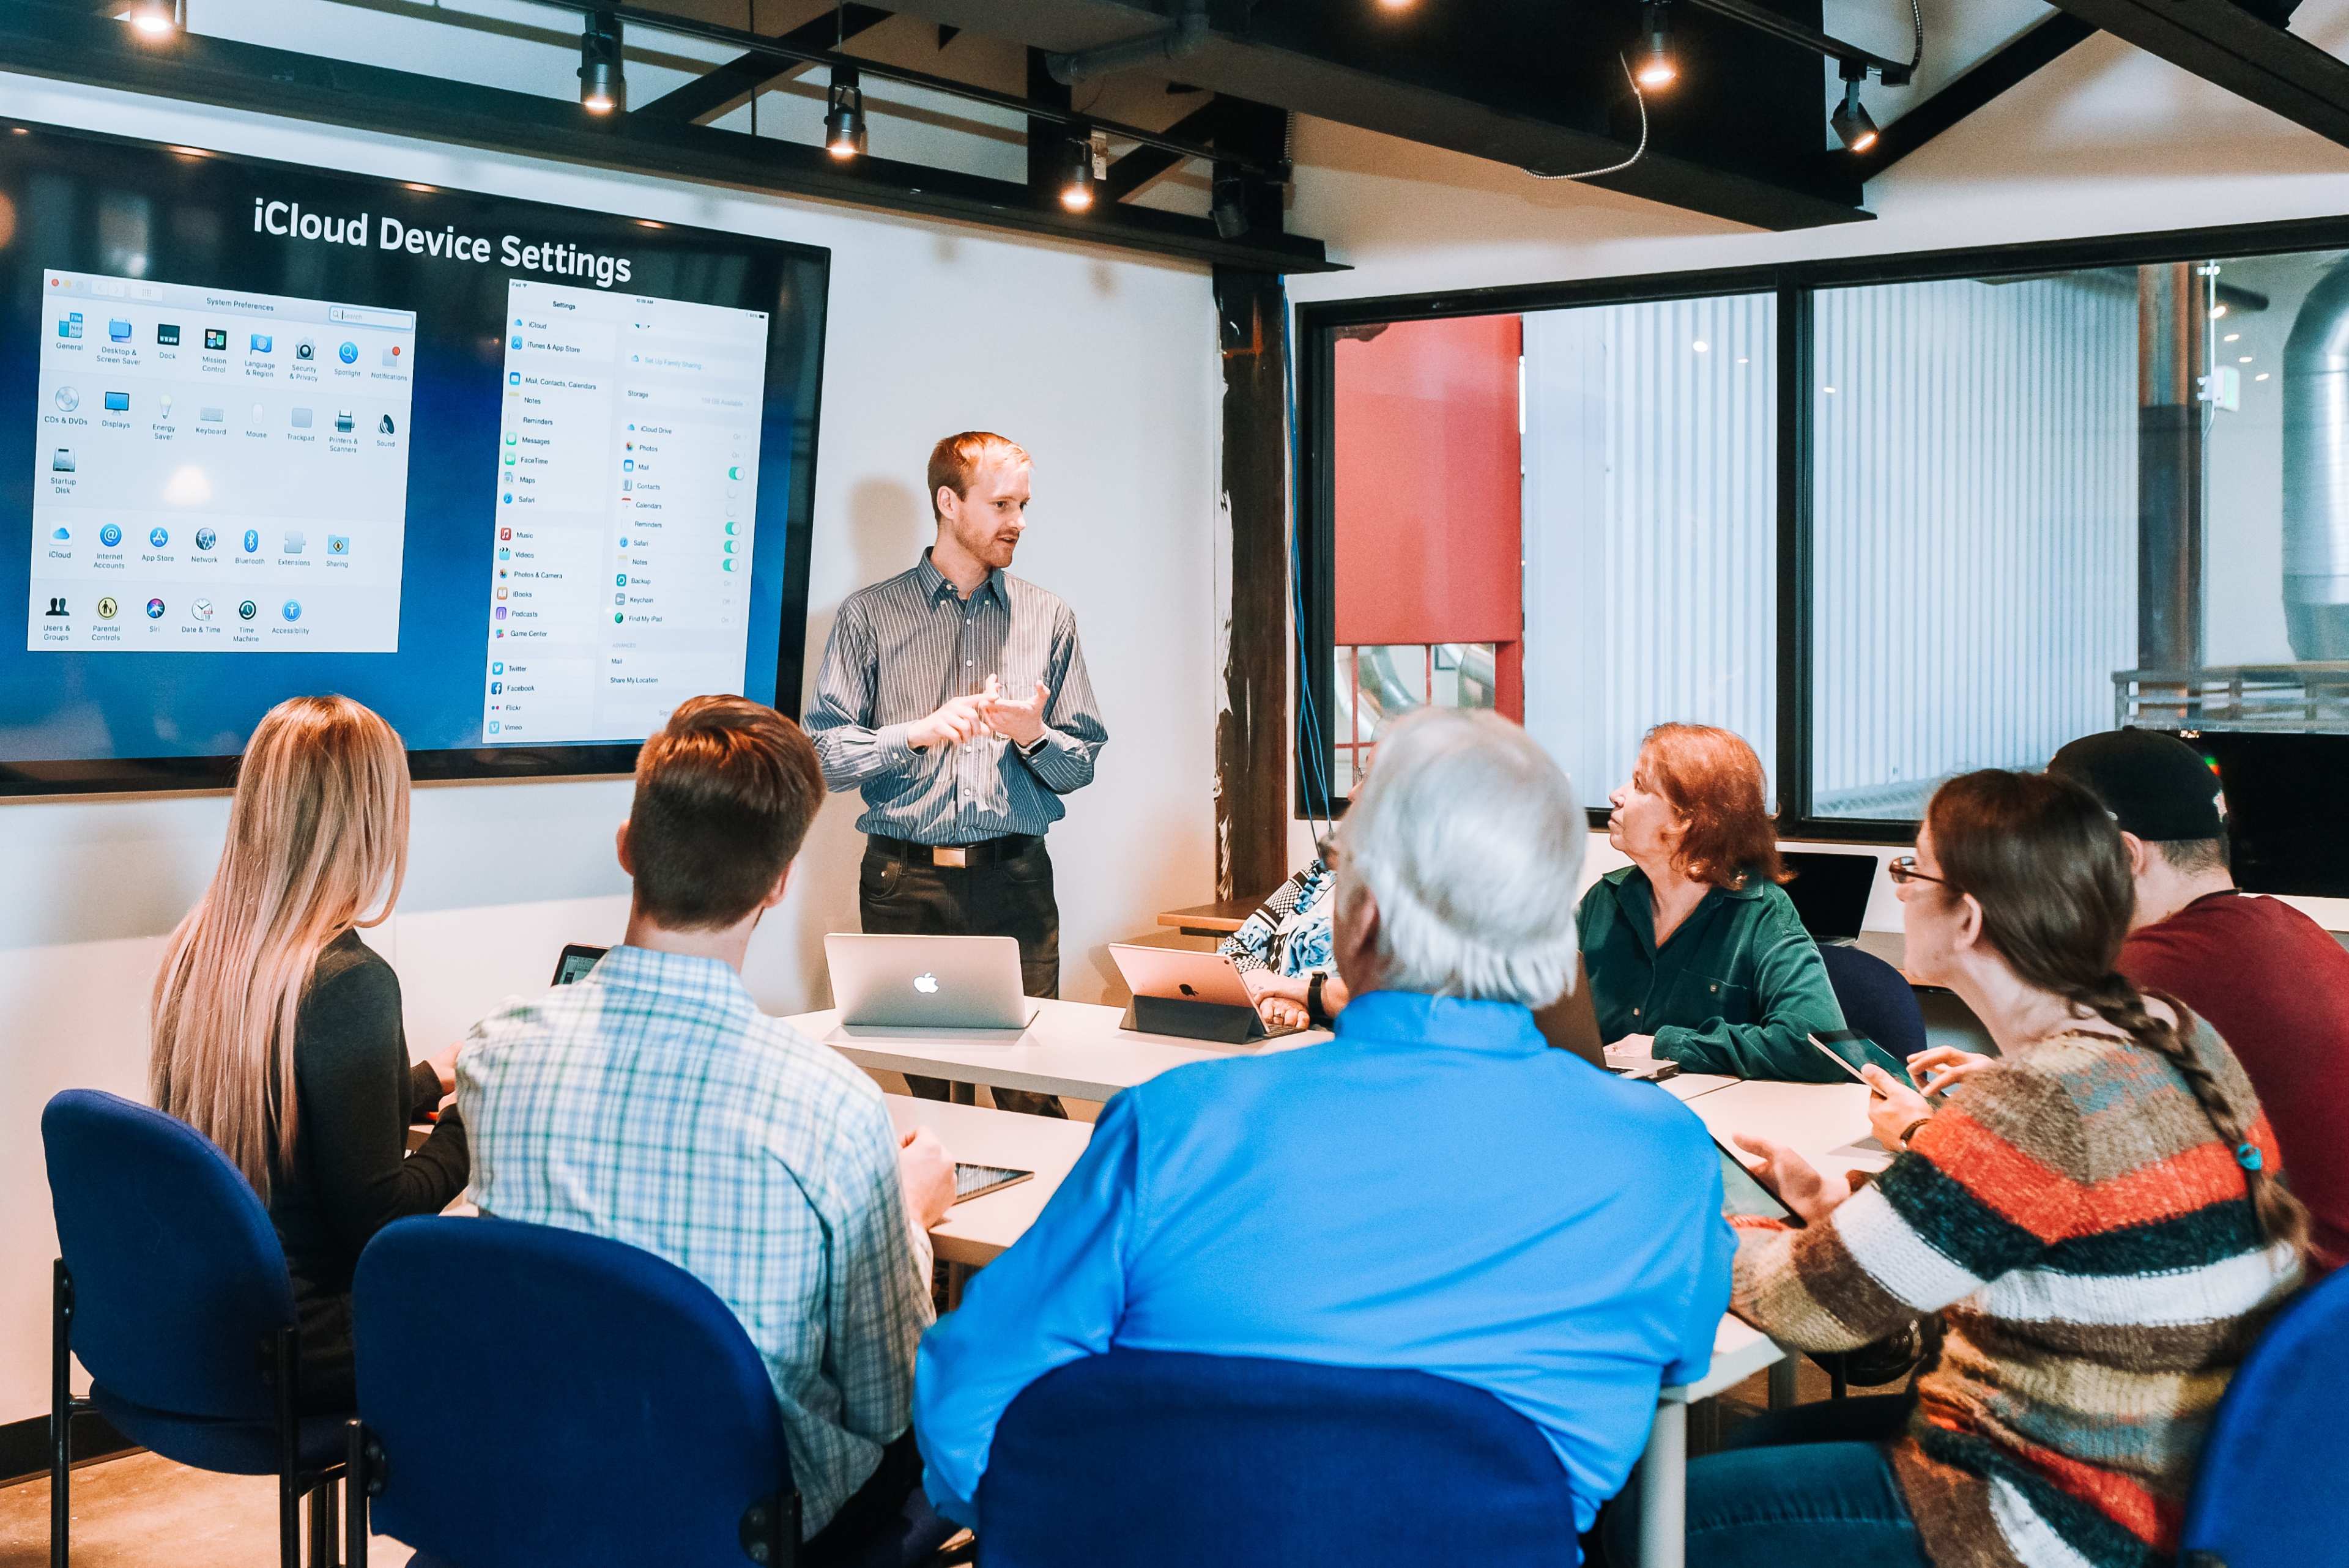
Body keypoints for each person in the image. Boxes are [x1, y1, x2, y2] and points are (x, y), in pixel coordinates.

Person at [916, 708, 1734, 1550]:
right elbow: (1677, 1356)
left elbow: (966, 1410)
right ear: (1549, 924)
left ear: (1362, 918)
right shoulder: (1663, 1159)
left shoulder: (1172, 1127)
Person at [1613, 768, 2308, 1568]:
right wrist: (1834, 1213)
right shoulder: (2170, 1033)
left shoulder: (2036, 1103)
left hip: (2049, 1517)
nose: (1898, 889)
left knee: (1649, 1520)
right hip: (2154, 1478)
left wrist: (1715, 1225)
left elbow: (1809, 1307)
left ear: (1969, 918)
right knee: (1745, 1450)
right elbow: (1997, 1242)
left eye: (1910, 870)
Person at [458, 696, 953, 1566]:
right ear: (777, 884)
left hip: (538, 1485)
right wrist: (905, 1218)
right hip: (746, 1526)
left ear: (626, 846)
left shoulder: (496, 1056)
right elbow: (887, 1404)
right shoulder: (831, 1106)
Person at [149, 695, 466, 1412]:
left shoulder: (203, 951)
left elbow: (289, 1117)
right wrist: (471, 1120)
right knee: (516, 1304)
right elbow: (380, 1218)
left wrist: (421, 1080)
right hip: (310, 1338)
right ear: (368, 820)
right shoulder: (348, 980)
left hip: (202, 1325)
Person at [806, 431, 1108, 1118]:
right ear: (949, 502)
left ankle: (1039, 1225)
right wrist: (913, 734)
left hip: (1016, 882)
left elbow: (1081, 761)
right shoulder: (868, 616)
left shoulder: (1048, 617)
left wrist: (1034, 735)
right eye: (1002, 503)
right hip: (903, 882)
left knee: (1030, 1085)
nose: (1019, 522)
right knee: (926, 1092)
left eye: (1024, 504)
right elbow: (821, 753)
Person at [2048, 728, 2349, 1274]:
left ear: (2122, 854)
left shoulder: (2151, 974)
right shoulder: (2292, 929)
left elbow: (2049, 1178)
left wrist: (1916, 1129)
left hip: (2286, 1311)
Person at [1578, 723, 1896, 1082]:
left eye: (1639, 786)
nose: (1615, 795)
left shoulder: (1763, 913)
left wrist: (1667, 1045)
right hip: (1600, 1104)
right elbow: (1537, 1011)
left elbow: (1815, 1044)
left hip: (1713, 1121)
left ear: (1689, 820)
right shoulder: (1604, 900)